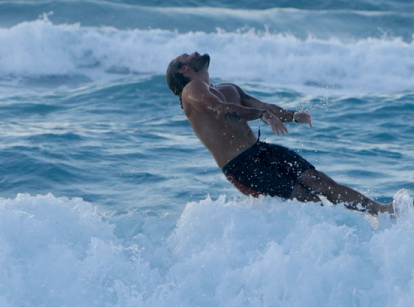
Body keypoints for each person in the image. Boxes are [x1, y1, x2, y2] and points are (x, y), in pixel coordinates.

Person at [165, 51, 394, 215]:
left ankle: (381, 212)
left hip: (261, 150)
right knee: (308, 200)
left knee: (321, 183)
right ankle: (335, 238)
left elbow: (263, 105)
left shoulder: (228, 88)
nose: (194, 53)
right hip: (241, 166)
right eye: (185, 56)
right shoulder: (191, 90)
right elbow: (220, 111)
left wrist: (292, 115)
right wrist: (262, 115)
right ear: (183, 70)